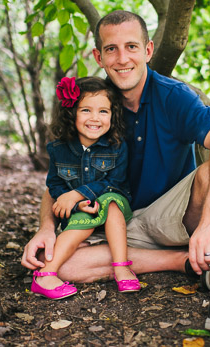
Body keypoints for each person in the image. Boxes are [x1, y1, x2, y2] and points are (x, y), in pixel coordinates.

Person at [23, 10, 210, 330]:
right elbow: (61, 175)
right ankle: (183, 261)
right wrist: (46, 227)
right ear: (98, 57)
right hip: (116, 224)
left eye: (131, 46)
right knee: (60, 265)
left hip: (172, 216)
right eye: (111, 49)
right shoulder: (95, 105)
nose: (122, 58)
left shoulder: (173, 96)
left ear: (148, 50)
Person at [30, 76, 140, 300]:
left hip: (113, 210)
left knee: (110, 202)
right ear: (72, 113)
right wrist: (76, 202)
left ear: (112, 115)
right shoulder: (58, 149)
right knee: (84, 218)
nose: (95, 118)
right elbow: (54, 184)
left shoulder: (117, 147)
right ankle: (46, 275)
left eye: (103, 112)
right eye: (86, 110)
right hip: (78, 213)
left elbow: (115, 183)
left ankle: (121, 267)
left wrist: (80, 193)